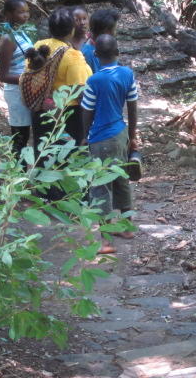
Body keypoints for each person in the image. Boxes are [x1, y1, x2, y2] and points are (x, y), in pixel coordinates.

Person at [81, 34, 138, 254]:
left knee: (100, 187)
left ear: (95, 55)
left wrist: (84, 135)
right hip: (121, 134)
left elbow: (88, 110)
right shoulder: (127, 74)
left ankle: (105, 241)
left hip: (100, 138)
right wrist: (132, 135)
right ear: (118, 52)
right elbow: (133, 107)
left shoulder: (94, 80)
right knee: (121, 180)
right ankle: (127, 227)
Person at [32, 8, 92, 150]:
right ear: (71, 30)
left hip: (41, 108)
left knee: (43, 154)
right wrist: (87, 126)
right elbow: (80, 92)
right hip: (66, 115)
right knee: (67, 158)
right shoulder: (73, 56)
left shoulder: (39, 45)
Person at [0, 0, 33, 159]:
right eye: (20, 12)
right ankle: (17, 177)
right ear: (9, 14)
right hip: (16, 93)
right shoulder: (8, 39)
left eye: (26, 11)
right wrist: (27, 78)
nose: (25, 15)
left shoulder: (20, 33)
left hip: (26, 89)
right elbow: (3, 75)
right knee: (20, 138)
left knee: (25, 135)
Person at [82, 9, 120, 73]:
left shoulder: (106, 46)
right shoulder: (88, 54)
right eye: (114, 29)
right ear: (106, 31)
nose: (115, 33)